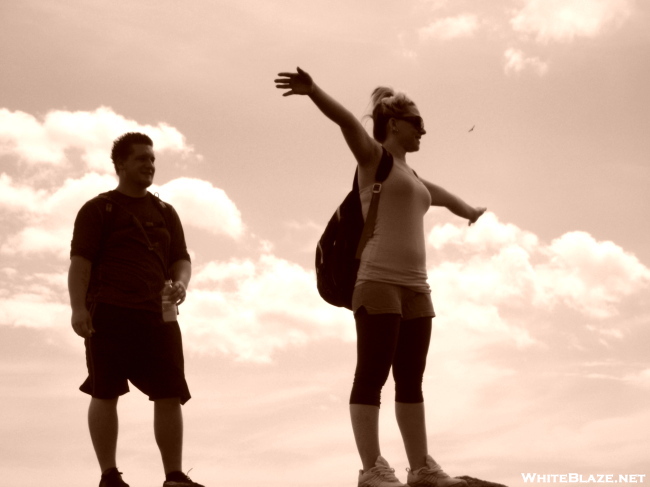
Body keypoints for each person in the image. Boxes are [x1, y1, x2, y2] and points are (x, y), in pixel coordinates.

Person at [275, 68, 485, 487]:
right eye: (418, 124)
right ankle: (372, 468)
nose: (424, 132)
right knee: (372, 374)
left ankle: (421, 467)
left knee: (411, 379)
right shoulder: (376, 161)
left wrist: (470, 212)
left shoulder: (413, 178)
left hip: (416, 289)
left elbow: (442, 198)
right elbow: (348, 123)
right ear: (394, 124)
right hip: (377, 281)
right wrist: (314, 90)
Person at [68, 132, 204, 487]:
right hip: (109, 310)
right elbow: (80, 264)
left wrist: (181, 283)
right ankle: (109, 476)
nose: (149, 165)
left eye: (152, 159)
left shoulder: (165, 211)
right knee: (105, 390)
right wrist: (78, 310)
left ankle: (174, 476)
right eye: (142, 159)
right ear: (121, 165)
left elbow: (181, 259)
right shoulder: (98, 209)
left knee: (170, 391)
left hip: (159, 315)